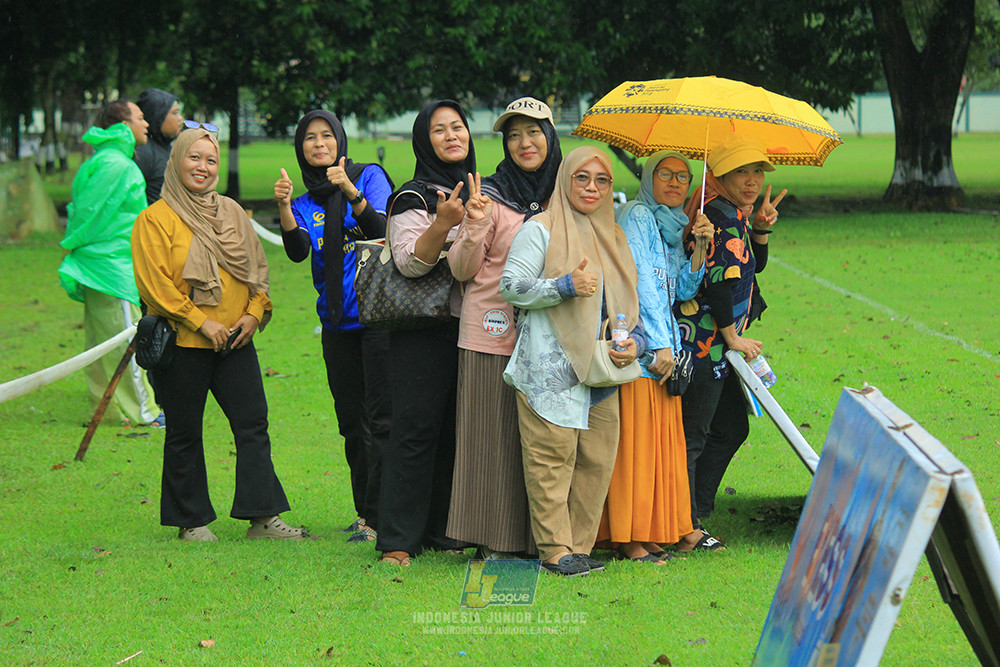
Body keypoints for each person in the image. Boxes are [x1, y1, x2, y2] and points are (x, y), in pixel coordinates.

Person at [131, 126, 305, 542]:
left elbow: (257, 269)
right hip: (183, 343)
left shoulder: (231, 211)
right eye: (194, 158)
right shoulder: (154, 219)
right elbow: (154, 285)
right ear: (176, 161)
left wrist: (253, 312)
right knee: (185, 431)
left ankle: (263, 517)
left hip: (235, 340)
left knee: (252, 424)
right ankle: (190, 521)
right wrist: (199, 320)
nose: (203, 167)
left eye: (211, 160)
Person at [500, 146, 646, 577]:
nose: (592, 188)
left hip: (604, 367)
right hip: (551, 368)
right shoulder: (540, 229)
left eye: (602, 180)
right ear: (565, 179)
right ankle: (555, 550)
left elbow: (628, 303)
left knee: (596, 462)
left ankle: (578, 548)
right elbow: (511, 285)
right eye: (582, 178)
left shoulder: (614, 236)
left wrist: (634, 341)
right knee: (550, 461)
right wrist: (565, 285)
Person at [445, 97, 561, 559]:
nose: (524, 143)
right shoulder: (489, 196)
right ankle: (494, 541)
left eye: (533, 132)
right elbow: (460, 269)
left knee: (541, 443)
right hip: (492, 334)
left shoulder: (567, 193)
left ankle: (541, 538)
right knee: (490, 439)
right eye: (513, 135)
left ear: (550, 137)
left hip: (550, 337)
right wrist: (473, 226)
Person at [273, 110, 393, 543]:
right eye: (309, 138)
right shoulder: (306, 203)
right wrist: (286, 209)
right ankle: (365, 512)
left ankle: (381, 516)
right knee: (351, 423)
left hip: (378, 319)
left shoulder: (370, 176)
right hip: (337, 325)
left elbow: (385, 230)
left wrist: (350, 191)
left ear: (340, 141)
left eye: (326, 136)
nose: (318, 143)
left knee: (382, 421)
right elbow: (297, 250)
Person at [595, 151, 713, 563]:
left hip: (664, 354)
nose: (676, 182)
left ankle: (648, 531)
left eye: (683, 176)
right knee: (637, 447)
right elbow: (641, 284)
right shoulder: (638, 216)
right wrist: (661, 345)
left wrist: (698, 248)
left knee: (656, 447)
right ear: (648, 176)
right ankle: (630, 537)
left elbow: (679, 289)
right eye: (666, 173)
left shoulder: (669, 224)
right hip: (643, 351)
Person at [674, 133, 786, 551]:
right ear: (718, 174)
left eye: (757, 171)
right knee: (695, 434)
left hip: (719, 348)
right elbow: (719, 285)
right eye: (742, 171)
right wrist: (731, 336)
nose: (753, 180)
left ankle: (695, 509)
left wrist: (759, 230)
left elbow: (750, 269)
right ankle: (685, 525)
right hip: (703, 346)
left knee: (731, 427)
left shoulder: (735, 213)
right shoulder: (717, 216)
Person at [376, 100, 476, 566]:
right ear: (424, 140)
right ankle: (397, 538)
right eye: (440, 130)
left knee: (456, 430)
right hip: (421, 328)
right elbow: (408, 263)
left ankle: (443, 530)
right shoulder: (412, 196)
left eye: (458, 127)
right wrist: (443, 224)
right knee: (415, 431)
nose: (452, 136)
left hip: (473, 328)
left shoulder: (482, 189)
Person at [58, 99, 161, 427]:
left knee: (102, 346)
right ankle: (144, 413)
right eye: (140, 118)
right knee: (123, 344)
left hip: (102, 267)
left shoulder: (104, 160)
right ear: (123, 125)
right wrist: (74, 246)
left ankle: (110, 413)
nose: (146, 124)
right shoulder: (117, 165)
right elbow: (90, 216)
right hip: (111, 269)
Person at [134, 88, 184, 205]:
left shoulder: (166, 147)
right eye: (174, 113)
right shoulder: (142, 153)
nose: (180, 118)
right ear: (158, 117)